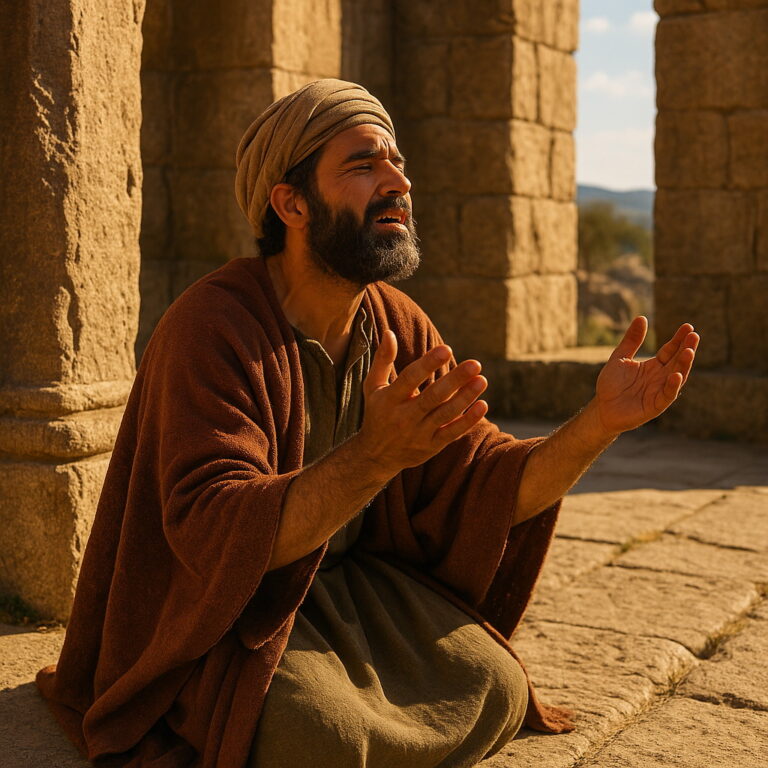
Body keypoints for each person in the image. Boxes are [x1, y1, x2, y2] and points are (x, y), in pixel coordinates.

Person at [37, 79, 699, 768]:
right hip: (227, 612)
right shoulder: (211, 329)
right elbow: (213, 533)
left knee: (495, 687)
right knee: (319, 736)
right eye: (363, 165)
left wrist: (600, 422)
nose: (397, 183)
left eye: (397, 162)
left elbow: (485, 482)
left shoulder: (396, 321)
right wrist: (376, 455)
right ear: (291, 203)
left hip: (354, 588)